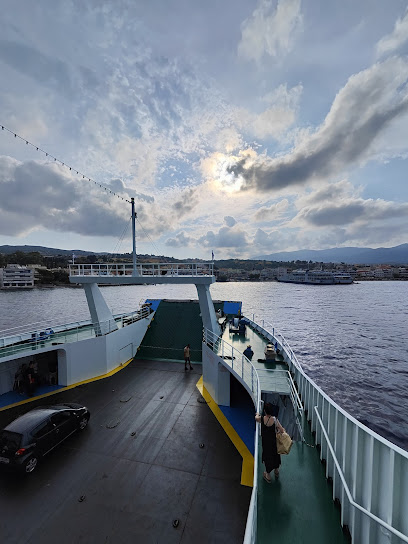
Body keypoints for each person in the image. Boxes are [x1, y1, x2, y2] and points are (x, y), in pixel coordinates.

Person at [255, 402, 286, 482]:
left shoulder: (262, 419)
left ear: (265, 411)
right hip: (274, 443)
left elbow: (256, 418)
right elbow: (282, 430)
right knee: (275, 455)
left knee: (267, 457)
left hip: (266, 443)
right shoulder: (275, 420)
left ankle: (268, 475)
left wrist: (257, 414)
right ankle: (276, 470)